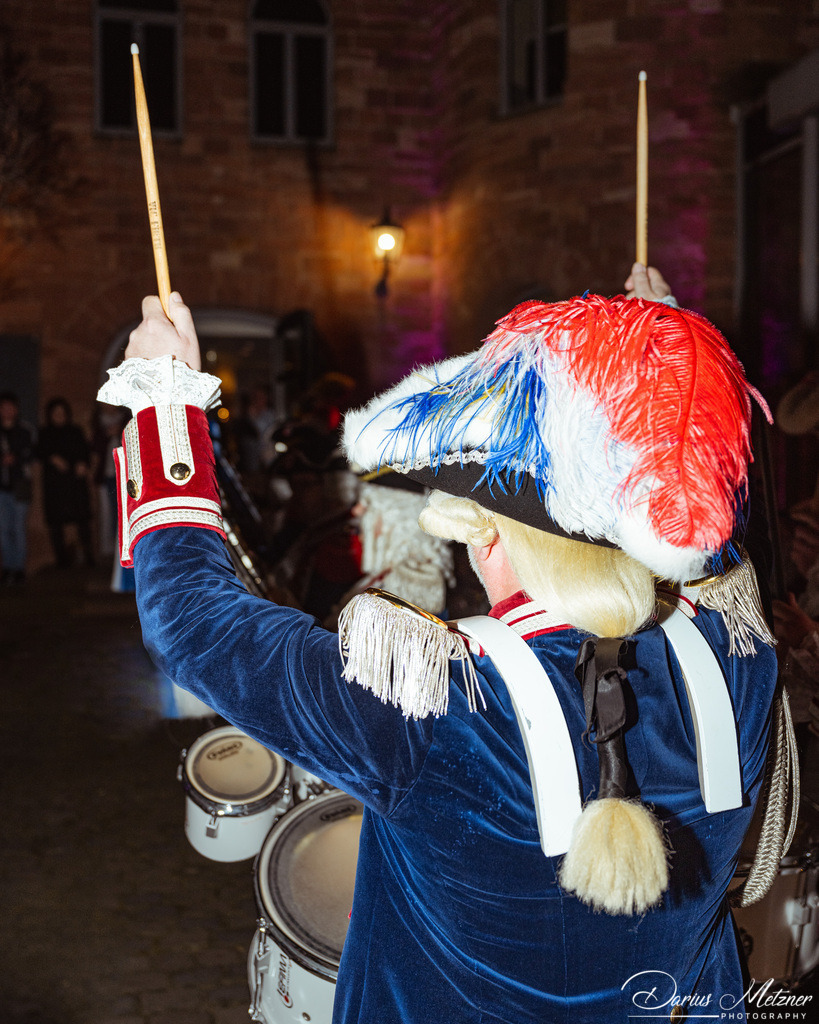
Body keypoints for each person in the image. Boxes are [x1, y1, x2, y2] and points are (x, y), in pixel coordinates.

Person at [99, 268, 779, 1022]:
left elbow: (193, 621)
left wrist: (163, 404)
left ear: (484, 537)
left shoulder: (426, 703)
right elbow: (699, 535)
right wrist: (650, 371)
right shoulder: (738, 657)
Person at [37, 397, 95, 567]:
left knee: (82, 520)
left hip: (75, 485)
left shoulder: (75, 431)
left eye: (62, 413)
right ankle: (61, 561)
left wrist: (83, 464)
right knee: (56, 523)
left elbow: (85, 452)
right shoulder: (45, 433)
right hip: (55, 487)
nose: (59, 416)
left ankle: (89, 558)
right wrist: (52, 458)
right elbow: (40, 452)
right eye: (56, 413)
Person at [0, 392, 35, 586]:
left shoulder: (24, 430)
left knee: (18, 528)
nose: (7, 411)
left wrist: (16, 459)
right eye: (3, 407)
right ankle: (8, 568)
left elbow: (30, 454)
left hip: (20, 486)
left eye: (10, 407)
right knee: (4, 529)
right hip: (2, 488)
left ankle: (19, 568)